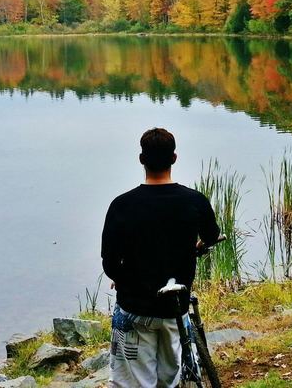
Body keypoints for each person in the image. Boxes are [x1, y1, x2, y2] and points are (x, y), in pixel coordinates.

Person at [101, 127, 221, 388]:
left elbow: (109, 262)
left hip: (135, 309)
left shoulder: (121, 205)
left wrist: (121, 278)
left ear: (141, 159)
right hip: (174, 310)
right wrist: (198, 244)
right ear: (174, 158)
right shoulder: (194, 201)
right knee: (171, 380)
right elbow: (212, 235)